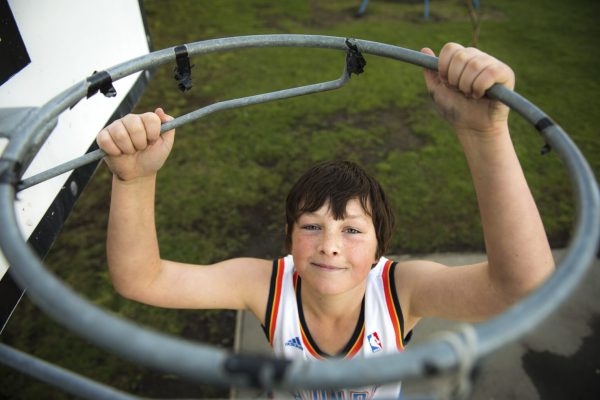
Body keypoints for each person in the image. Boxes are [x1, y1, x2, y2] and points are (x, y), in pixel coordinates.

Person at [96, 43, 554, 399]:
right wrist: (134, 181)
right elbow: (142, 279)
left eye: (352, 230)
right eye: (311, 226)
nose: (329, 245)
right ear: (289, 237)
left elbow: (523, 287)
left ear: (380, 249)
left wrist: (484, 133)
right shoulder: (266, 285)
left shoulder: (398, 291)